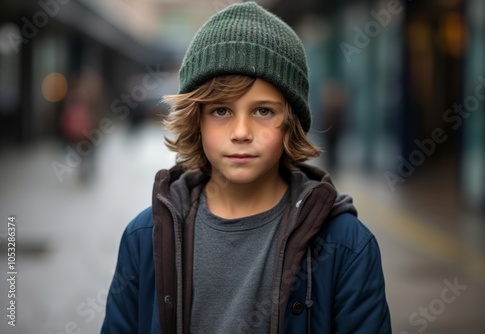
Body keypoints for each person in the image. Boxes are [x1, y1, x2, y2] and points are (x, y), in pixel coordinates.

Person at [101, 2, 391, 333]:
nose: (241, 133)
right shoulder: (145, 238)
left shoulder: (347, 247)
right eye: (221, 111)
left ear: (290, 122)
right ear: (196, 120)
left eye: (263, 111)